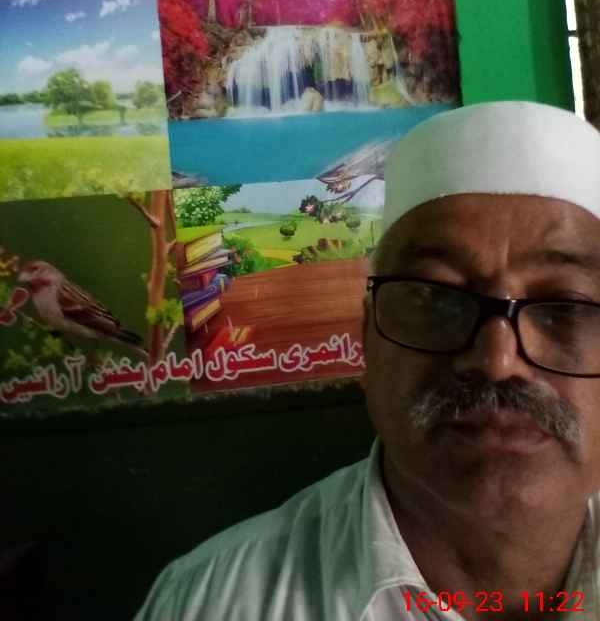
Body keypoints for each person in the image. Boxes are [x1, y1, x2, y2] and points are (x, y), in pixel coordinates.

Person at [134, 101, 600, 620]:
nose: (497, 360)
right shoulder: (214, 603)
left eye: (567, 307)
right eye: (434, 296)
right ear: (366, 340)